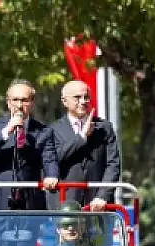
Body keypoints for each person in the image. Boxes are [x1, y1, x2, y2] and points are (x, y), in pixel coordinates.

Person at [0, 80, 58, 246]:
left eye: (25, 100)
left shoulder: (43, 131)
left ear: (32, 102)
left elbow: (50, 159)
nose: (19, 105)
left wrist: (52, 175)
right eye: (15, 100)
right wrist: (7, 131)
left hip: (28, 203)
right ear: (8, 102)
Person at [42, 80, 122, 211]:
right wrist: (82, 136)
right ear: (64, 101)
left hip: (97, 204)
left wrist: (102, 196)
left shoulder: (104, 127)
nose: (83, 101)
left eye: (86, 97)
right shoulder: (52, 130)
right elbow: (54, 159)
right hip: (65, 201)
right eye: (77, 97)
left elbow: (113, 164)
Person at [33, 200, 111, 246]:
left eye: (75, 224)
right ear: (58, 228)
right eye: (66, 225)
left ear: (83, 227)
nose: (70, 228)